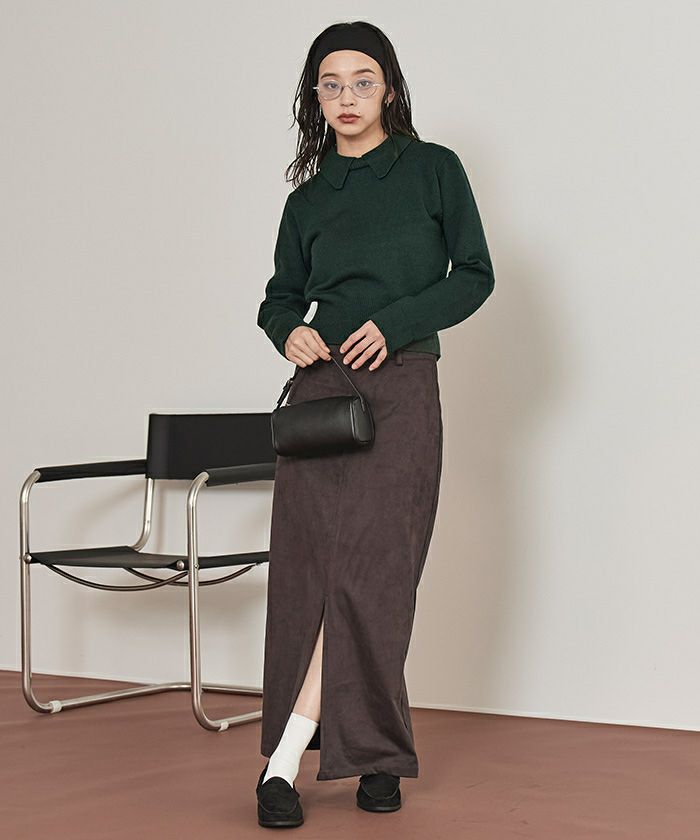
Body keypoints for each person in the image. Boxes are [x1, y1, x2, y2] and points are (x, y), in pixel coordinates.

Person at [254, 19, 495, 828]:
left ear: (389, 87)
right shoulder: (308, 200)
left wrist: (395, 323)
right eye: (331, 84)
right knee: (307, 575)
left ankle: (288, 761)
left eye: (363, 80)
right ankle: (375, 759)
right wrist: (285, 330)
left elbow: (475, 274)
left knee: (376, 576)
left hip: (401, 390)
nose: (347, 97)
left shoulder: (433, 170)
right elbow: (280, 296)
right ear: (314, 98)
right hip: (320, 396)